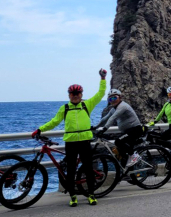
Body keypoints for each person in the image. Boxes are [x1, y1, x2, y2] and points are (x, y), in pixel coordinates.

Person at [31, 68, 107, 207]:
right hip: (71, 143)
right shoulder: (65, 108)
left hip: (85, 141)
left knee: (88, 169)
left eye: (78, 93)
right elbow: (54, 122)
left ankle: (91, 194)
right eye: (73, 93)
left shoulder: (87, 104)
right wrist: (40, 129)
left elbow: (101, 93)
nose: (75, 95)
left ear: (81, 94)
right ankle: (72, 196)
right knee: (71, 170)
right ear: (69, 95)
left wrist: (102, 78)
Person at [94, 89, 143, 167]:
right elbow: (105, 118)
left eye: (114, 98)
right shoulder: (113, 109)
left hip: (135, 129)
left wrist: (104, 129)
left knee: (118, 142)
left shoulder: (123, 106)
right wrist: (95, 127)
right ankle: (128, 172)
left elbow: (113, 118)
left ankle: (134, 156)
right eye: (110, 99)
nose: (112, 100)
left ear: (120, 97)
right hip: (127, 131)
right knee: (122, 152)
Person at [148, 86, 171, 174]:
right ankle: (169, 148)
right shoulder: (167, 104)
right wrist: (154, 122)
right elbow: (161, 113)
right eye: (169, 94)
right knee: (159, 138)